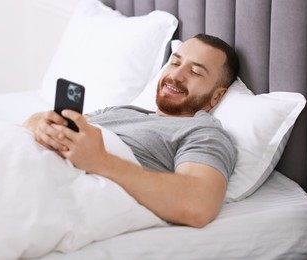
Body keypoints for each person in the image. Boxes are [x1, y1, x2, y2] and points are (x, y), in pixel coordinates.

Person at [23, 33, 239, 228]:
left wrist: (100, 161)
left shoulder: (203, 131)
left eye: (194, 71)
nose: (176, 75)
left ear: (217, 97)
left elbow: (199, 204)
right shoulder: (122, 110)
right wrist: (42, 127)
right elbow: (33, 121)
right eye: (175, 62)